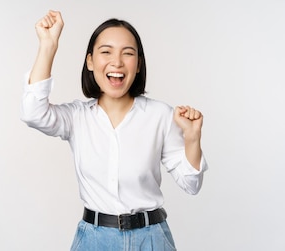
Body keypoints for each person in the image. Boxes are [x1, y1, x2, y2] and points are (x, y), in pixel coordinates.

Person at [20, 10, 208, 251]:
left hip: (151, 240)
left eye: (127, 53)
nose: (117, 62)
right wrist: (48, 45)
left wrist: (192, 137)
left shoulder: (161, 115)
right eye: (106, 52)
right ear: (90, 61)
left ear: (138, 64)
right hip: (94, 240)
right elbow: (33, 113)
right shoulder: (77, 117)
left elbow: (191, 185)